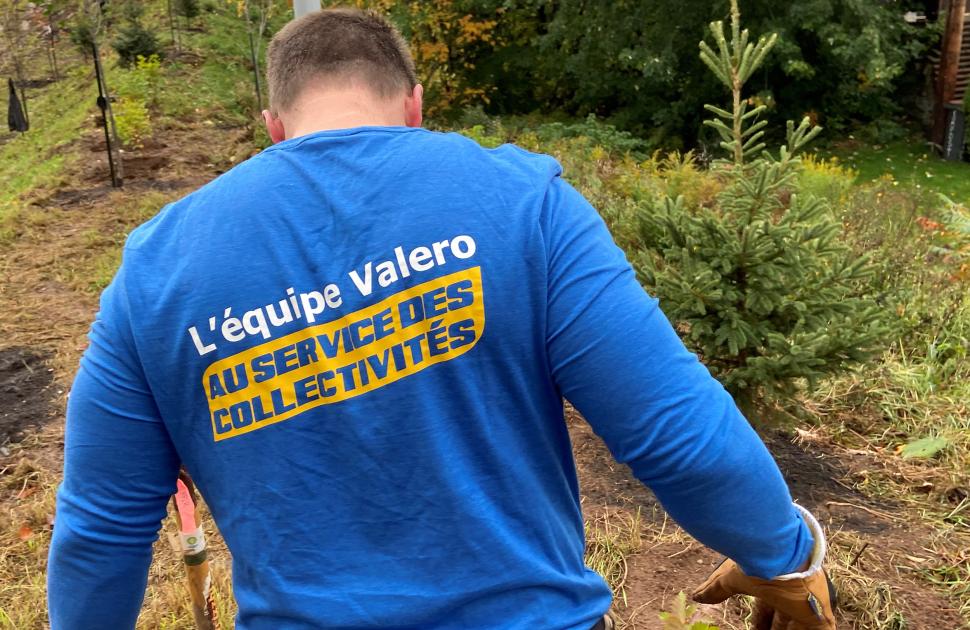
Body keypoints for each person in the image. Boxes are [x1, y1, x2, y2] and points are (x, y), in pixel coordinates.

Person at [47, 8, 836, 630]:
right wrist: (785, 553)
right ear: (415, 107)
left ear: (275, 126)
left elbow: (98, 532)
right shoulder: (522, 206)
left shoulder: (152, 275)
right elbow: (679, 434)